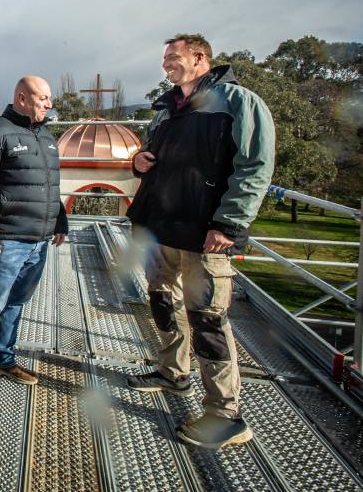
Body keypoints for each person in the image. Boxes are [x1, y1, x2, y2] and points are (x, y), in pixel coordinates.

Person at [126, 33, 275, 449]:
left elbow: (255, 167)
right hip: (160, 227)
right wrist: (139, 161)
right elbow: (148, 156)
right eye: (165, 58)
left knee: (207, 318)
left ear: (200, 58)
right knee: (162, 301)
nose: (166, 65)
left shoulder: (238, 103)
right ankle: (174, 372)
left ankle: (224, 414)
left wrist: (228, 225)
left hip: (203, 234)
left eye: (173, 57)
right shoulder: (167, 110)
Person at [0, 75, 68, 412]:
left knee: (16, 305)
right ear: (22, 98)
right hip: (6, 241)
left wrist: (59, 223)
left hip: (38, 241)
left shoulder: (46, 136)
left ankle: (3, 360)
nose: (49, 104)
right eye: (43, 98)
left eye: (50, 98)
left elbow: (50, 186)